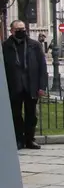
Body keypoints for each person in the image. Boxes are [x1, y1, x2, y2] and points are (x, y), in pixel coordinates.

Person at [3, 20, 47, 150]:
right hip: (14, 86)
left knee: (31, 115)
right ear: (11, 31)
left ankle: (30, 139)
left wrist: (42, 87)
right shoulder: (5, 46)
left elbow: (42, 67)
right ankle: (19, 139)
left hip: (31, 85)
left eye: (23, 29)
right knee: (15, 115)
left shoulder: (35, 45)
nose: (21, 31)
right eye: (18, 29)